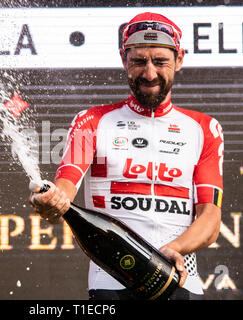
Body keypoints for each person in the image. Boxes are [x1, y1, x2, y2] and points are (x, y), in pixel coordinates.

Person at [29, 12, 223, 300]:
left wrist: (176, 248)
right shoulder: (91, 121)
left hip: (180, 280)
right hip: (112, 282)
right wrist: (52, 201)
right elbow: (66, 184)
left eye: (160, 61)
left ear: (179, 59)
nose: (149, 73)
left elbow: (210, 220)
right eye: (138, 61)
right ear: (123, 60)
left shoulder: (205, 129)